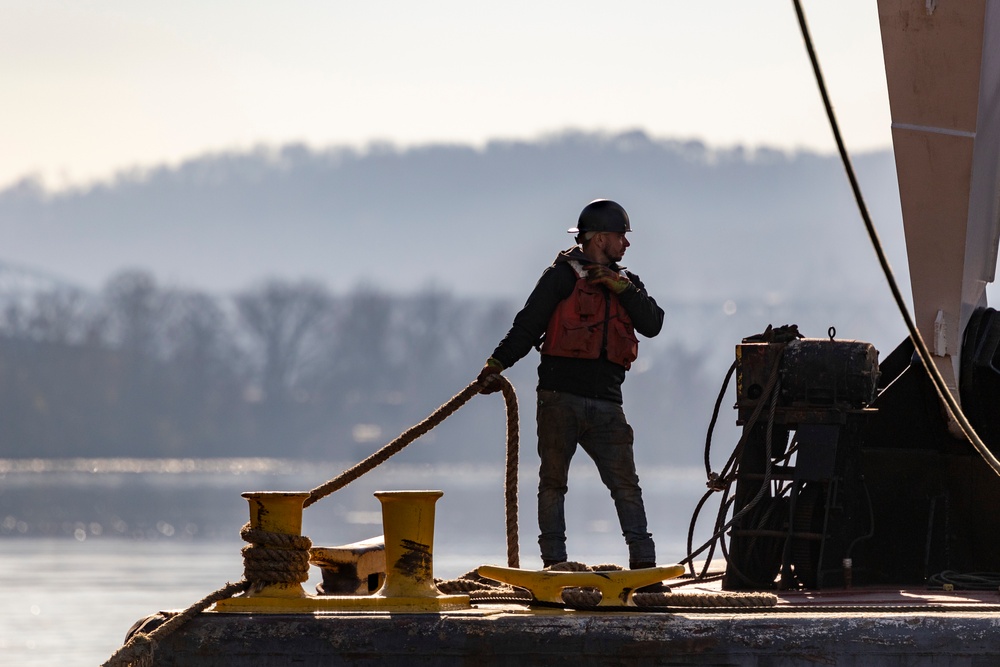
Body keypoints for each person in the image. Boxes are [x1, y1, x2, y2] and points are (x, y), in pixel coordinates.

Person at [477, 199, 664, 570]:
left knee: (626, 487)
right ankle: (555, 566)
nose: (626, 244)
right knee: (553, 484)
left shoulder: (628, 283)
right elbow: (527, 326)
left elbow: (653, 323)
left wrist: (621, 288)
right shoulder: (560, 277)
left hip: (609, 405)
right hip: (559, 400)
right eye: (620, 236)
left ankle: (644, 568)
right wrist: (497, 363)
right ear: (598, 239)